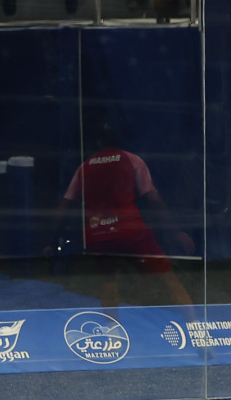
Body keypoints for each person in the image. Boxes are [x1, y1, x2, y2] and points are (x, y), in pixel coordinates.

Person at [46, 124, 194, 308]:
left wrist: (51, 242)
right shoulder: (132, 160)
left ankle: (113, 335)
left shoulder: (84, 168)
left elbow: (64, 206)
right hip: (132, 233)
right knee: (171, 282)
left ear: (98, 142)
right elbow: (154, 200)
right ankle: (196, 329)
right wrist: (176, 232)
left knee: (108, 286)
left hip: (99, 235)